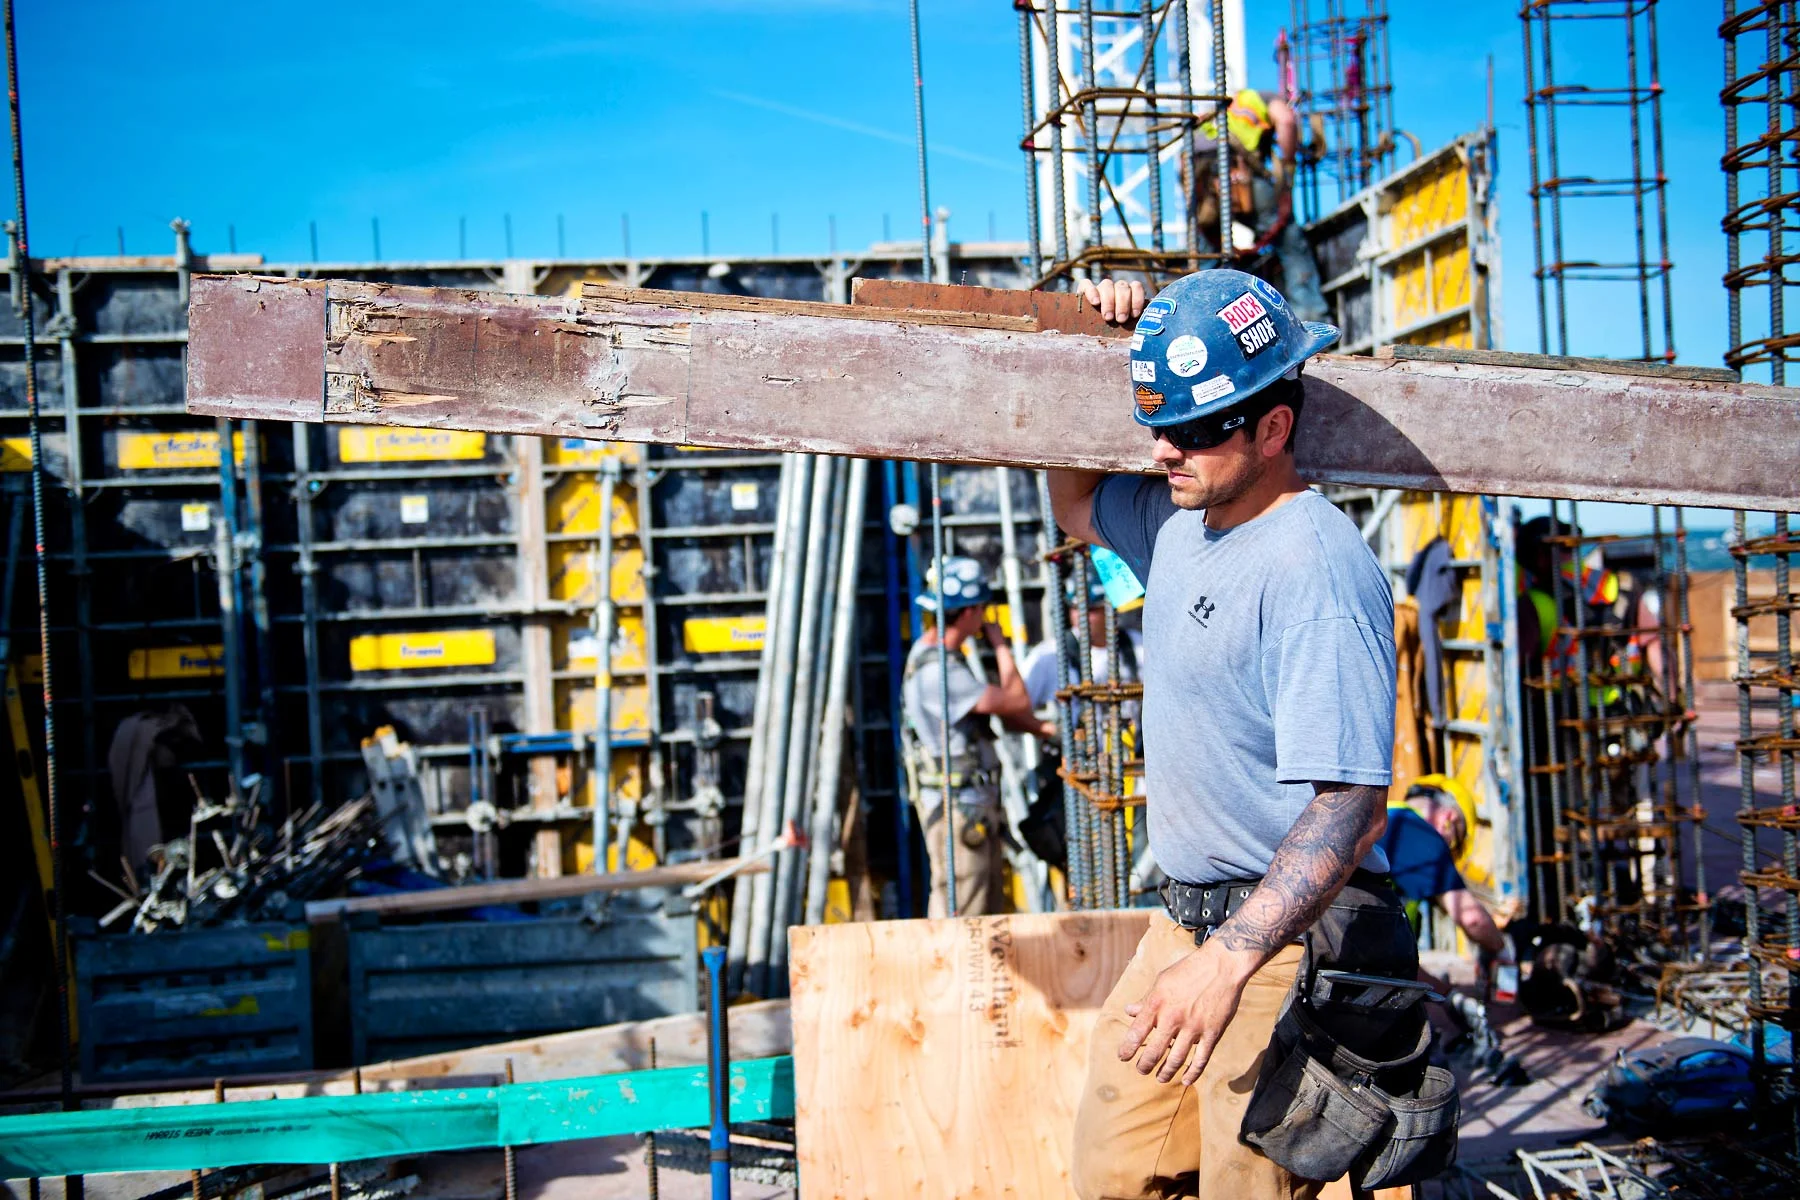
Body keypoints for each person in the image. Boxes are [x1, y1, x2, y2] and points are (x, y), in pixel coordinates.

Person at [1053, 270, 1418, 1199]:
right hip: (1180, 923)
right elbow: (1073, 505)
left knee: (1243, 1187)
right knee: (1113, 1170)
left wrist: (1231, 960)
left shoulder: (1315, 571)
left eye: (1198, 429)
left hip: (1275, 947)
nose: (1168, 450)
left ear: (1273, 428)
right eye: (1158, 426)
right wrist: (1103, 336)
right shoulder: (1185, 521)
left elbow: (1350, 802)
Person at [899, 555, 1049, 917]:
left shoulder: (937, 658)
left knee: (984, 912)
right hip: (957, 810)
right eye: (983, 609)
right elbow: (1016, 700)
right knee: (963, 914)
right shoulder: (940, 672)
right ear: (968, 613)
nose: (985, 618)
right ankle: (953, 975)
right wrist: (1000, 645)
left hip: (968, 805)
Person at [1193, 88, 1328, 322]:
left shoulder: (1219, 110)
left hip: (1201, 178)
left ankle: (1208, 320)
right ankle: (1311, 316)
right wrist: (1287, 163)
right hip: (1239, 168)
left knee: (1209, 255)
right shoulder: (1266, 98)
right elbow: (1286, 121)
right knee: (1289, 241)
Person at [1384, 776, 1509, 960]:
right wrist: (1502, 951)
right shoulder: (1415, 830)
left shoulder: (1388, 814)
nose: (1447, 848)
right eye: (1454, 841)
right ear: (1448, 819)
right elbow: (1472, 919)